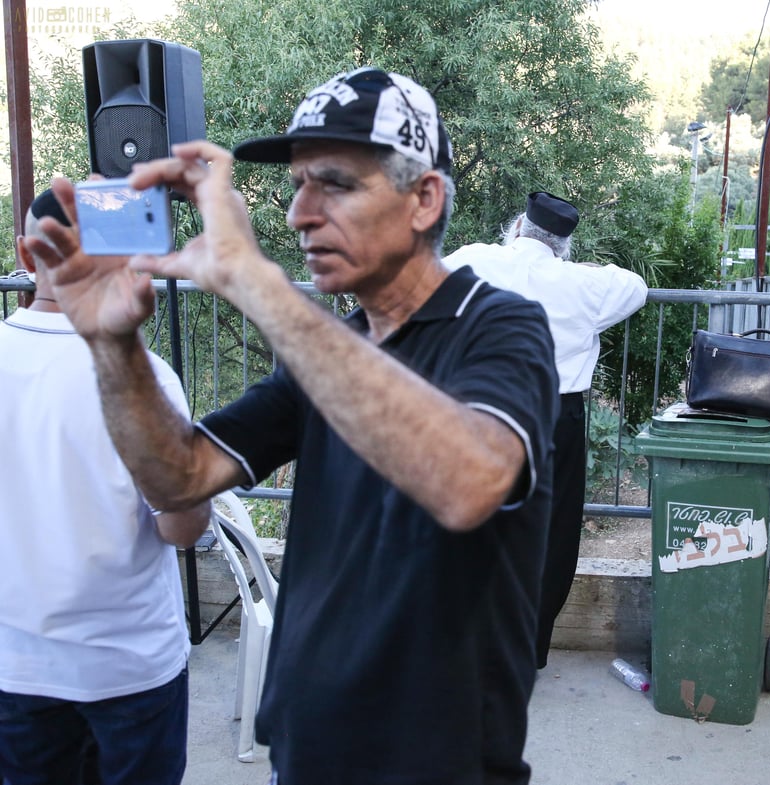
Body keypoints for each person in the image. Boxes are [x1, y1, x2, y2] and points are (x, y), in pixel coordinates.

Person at [27, 67, 559, 784]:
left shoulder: (497, 325)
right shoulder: (332, 349)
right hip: (307, 754)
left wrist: (256, 281)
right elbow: (177, 477)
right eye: (298, 185)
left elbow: (469, 481)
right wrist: (112, 345)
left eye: (334, 183)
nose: (298, 214)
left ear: (424, 199)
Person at [0, 189, 211, 784]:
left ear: (25, 253)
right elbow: (182, 528)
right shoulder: (145, 376)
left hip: (16, 667)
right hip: (130, 666)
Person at [444, 192, 648, 669]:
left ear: (516, 228)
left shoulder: (476, 259)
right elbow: (635, 286)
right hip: (555, 417)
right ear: (562, 244)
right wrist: (576, 266)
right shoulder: (581, 283)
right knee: (548, 535)